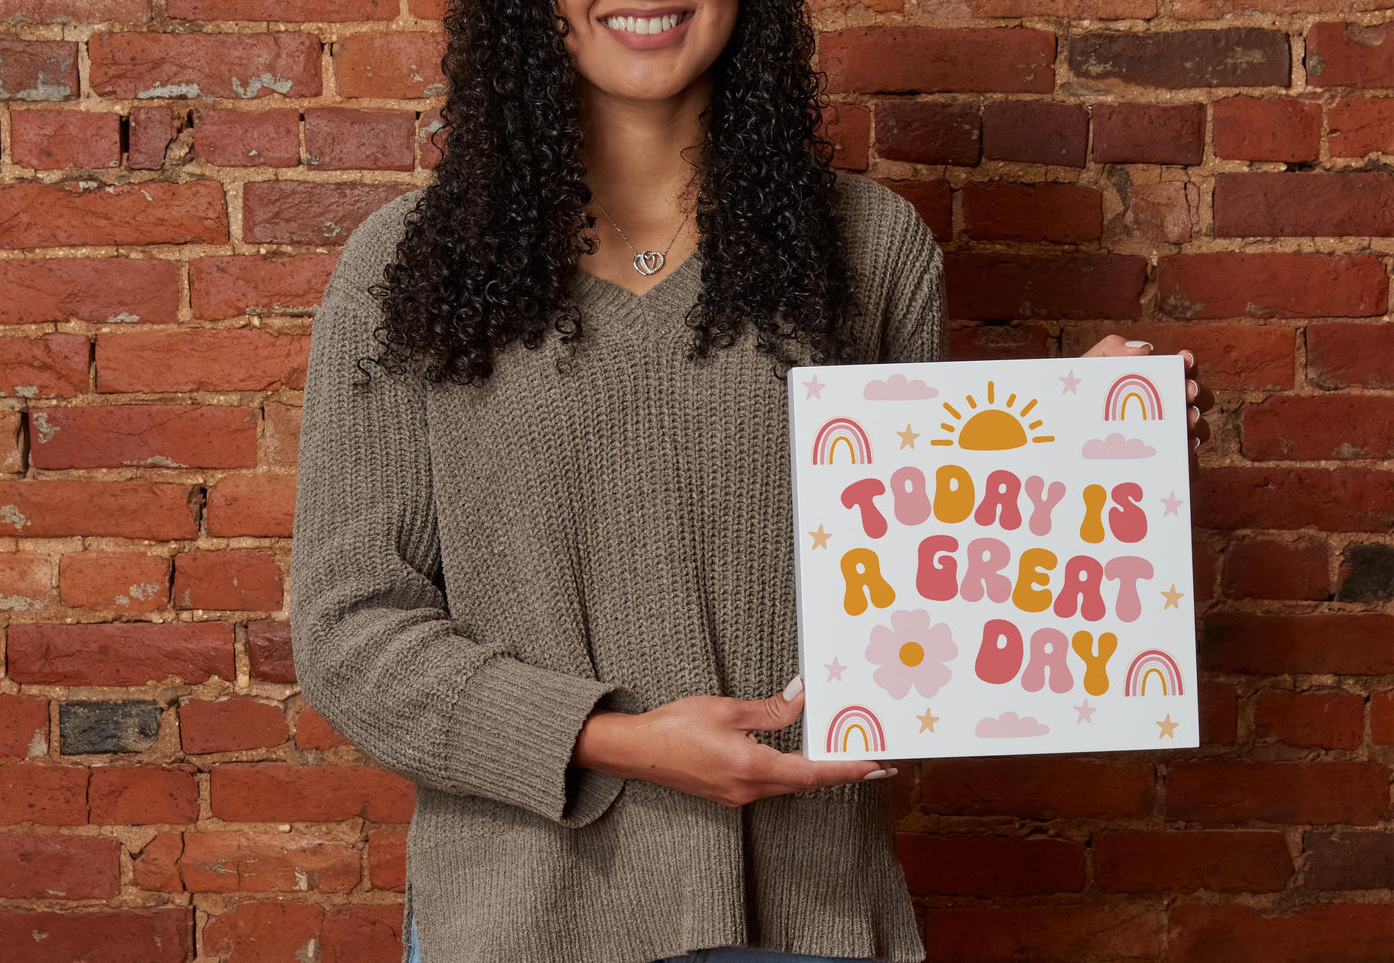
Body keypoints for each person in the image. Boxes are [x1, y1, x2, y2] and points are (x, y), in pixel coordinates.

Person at [287, 2, 1214, 962]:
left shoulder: (869, 248)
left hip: (813, 915)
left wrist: (1068, 466)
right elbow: (349, 633)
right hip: (521, 923)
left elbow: (915, 616)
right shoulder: (406, 267)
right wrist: (613, 739)